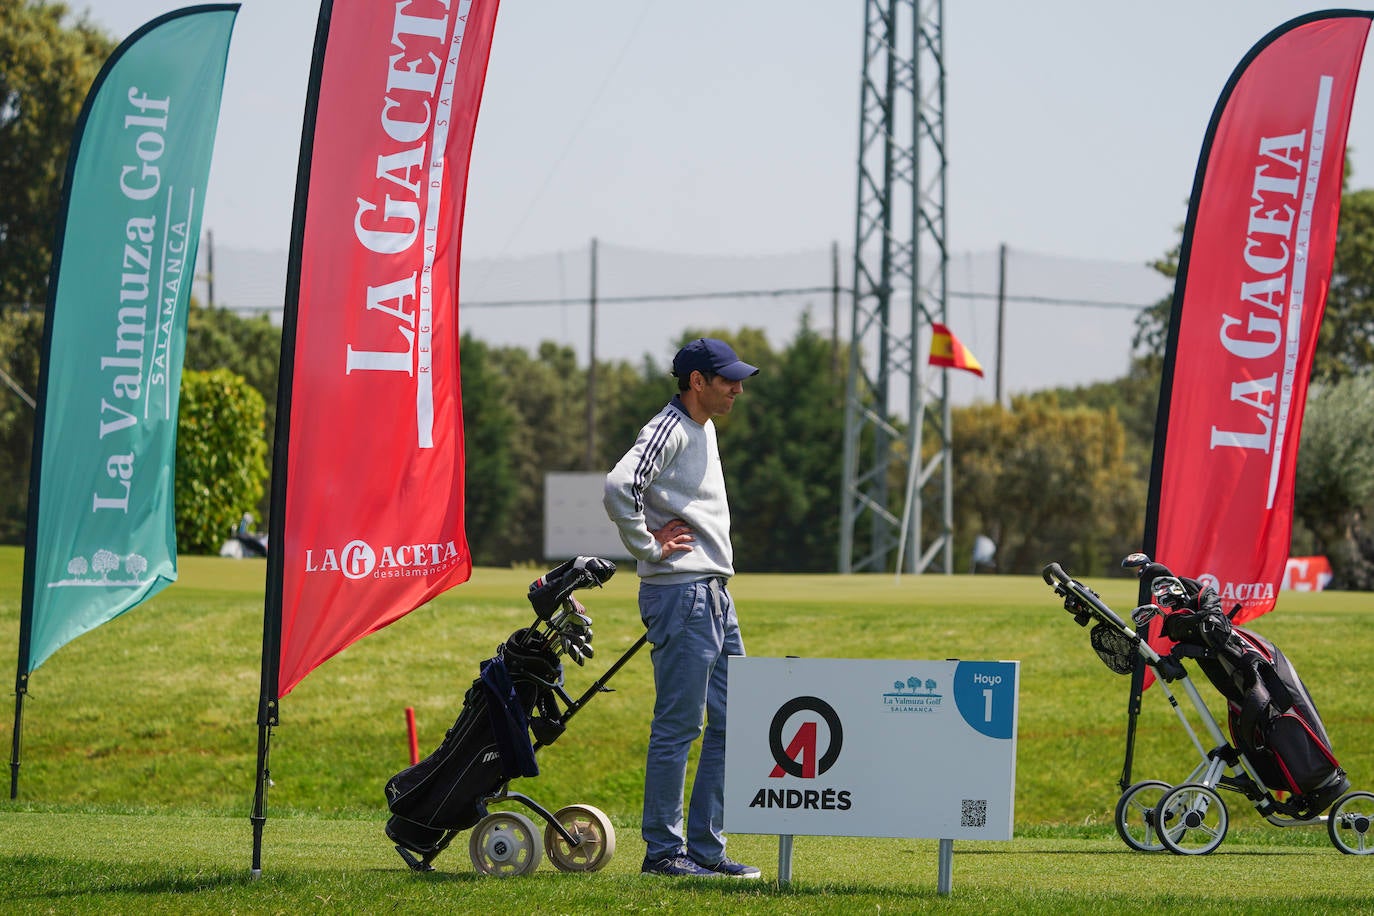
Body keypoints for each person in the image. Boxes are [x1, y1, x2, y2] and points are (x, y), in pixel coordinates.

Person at [603, 337, 762, 879]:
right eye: (728, 381)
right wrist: (647, 545)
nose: (737, 389)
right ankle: (664, 854)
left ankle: (704, 851)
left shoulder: (704, 427)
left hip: (714, 590)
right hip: (682, 592)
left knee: (732, 719)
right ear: (698, 382)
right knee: (680, 727)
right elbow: (619, 485)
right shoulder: (669, 427)